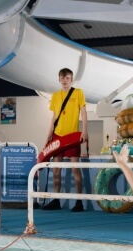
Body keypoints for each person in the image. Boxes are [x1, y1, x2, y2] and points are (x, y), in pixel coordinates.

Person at [42, 68, 88, 212]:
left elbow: (84, 112)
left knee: (75, 169)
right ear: (59, 79)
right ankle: (56, 200)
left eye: (68, 77)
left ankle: (79, 201)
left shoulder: (78, 92)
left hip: (73, 135)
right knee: (56, 170)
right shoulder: (55, 96)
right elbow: (53, 118)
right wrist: (48, 136)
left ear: (71, 79)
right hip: (57, 135)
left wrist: (85, 130)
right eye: (62, 77)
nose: (65, 80)